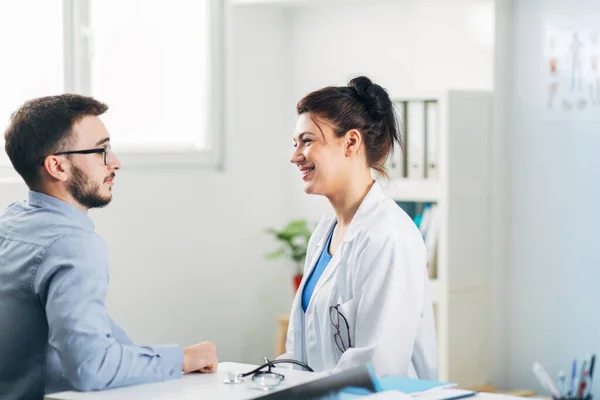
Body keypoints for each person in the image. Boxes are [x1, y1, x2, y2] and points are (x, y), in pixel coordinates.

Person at [0, 94, 218, 399]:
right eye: (101, 151)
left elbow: (90, 333)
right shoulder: (71, 244)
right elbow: (92, 367)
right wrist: (182, 359)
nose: (115, 162)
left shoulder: (13, 221)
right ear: (57, 167)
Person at [278, 76, 438, 379]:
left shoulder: (388, 237)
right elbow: (301, 353)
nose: (295, 156)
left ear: (351, 142)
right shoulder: (325, 232)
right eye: (296, 143)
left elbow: (379, 368)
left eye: (307, 141)